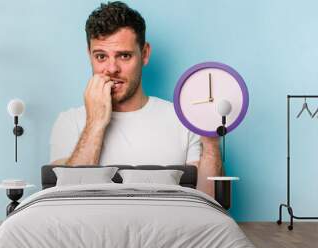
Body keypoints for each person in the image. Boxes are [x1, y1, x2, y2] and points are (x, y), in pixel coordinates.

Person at [50, 1, 222, 198]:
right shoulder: (68, 122)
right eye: (100, 57)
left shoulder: (182, 119)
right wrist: (95, 123)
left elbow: (208, 203)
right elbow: (64, 202)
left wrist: (210, 144)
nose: (112, 69)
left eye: (124, 56)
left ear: (145, 53)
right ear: (89, 55)